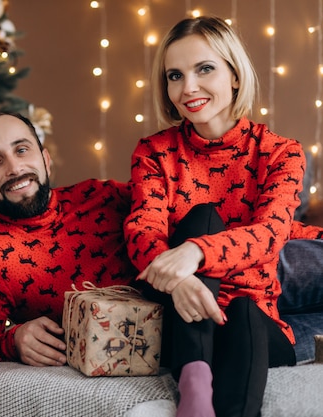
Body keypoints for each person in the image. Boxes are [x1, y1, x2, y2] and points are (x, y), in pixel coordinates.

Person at [123, 16, 304, 417]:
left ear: (235, 75)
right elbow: (142, 230)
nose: (188, 88)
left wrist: (195, 254)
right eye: (175, 75)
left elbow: (270, 234)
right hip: (176, 314)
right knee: (202, 216)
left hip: (253, 320)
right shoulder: (154, 151)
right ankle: (195, 389)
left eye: (204, 69)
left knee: (244, 311)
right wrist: (182, 279)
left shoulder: (280, 152)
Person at [0, 111, 138, 367]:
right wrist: (14, 339)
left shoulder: (103, 197)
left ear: (45, 160)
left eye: (21, 150)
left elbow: (173, 206)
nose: (14, 168)